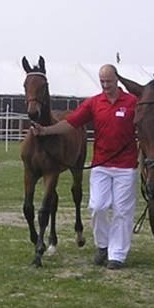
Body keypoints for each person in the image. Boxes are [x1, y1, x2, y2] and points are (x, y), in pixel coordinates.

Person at [30, 64, 138, 270]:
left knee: (122, 211)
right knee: (97, 206)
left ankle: (117, 254)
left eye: (109, 81)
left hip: (125, 166)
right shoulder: (95, 103)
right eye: (102, 81)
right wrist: (46, 130)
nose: (106, 85)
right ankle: (103, 246)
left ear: (117, 80)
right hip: (101, 164)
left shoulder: (133, 102)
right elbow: (71, 122)